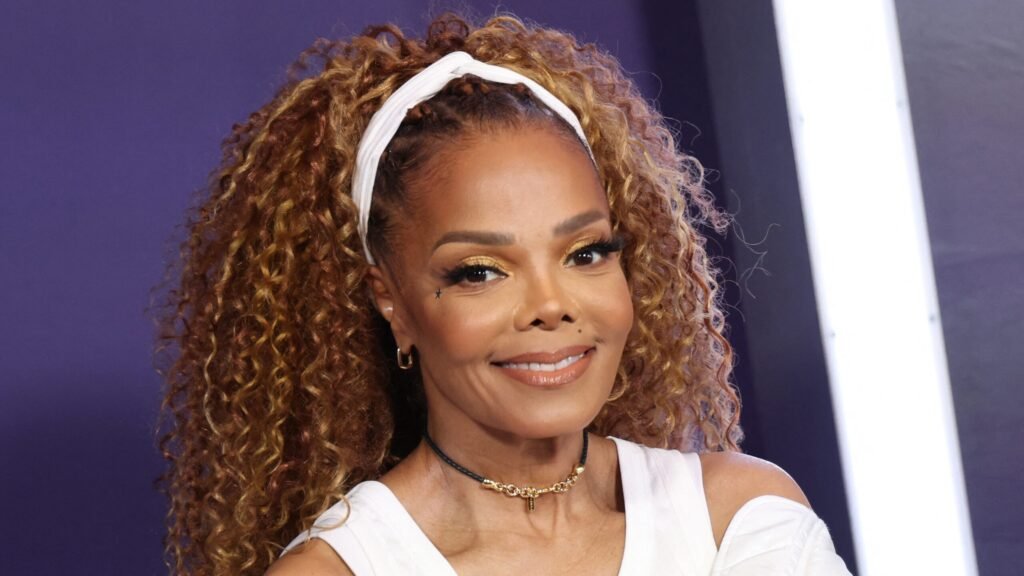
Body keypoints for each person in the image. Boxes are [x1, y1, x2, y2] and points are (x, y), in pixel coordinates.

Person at [157, 12, 852, 575]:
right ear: (391, 302)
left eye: (585, 253)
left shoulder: (739, 516)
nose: (551, 304)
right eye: (481, 270)